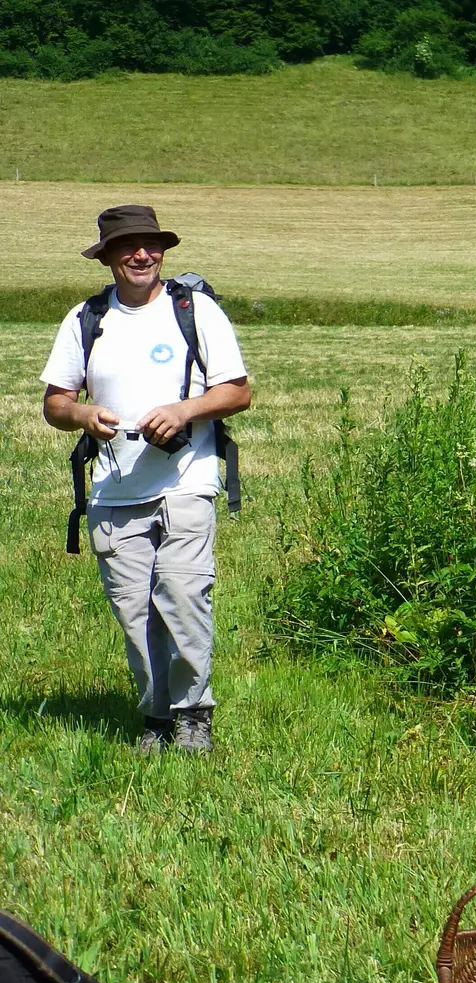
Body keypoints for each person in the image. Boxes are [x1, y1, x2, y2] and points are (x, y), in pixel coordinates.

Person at [40, 205, 252, 754]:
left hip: (186, 481)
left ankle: (192, 716)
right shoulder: (86, 320)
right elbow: (55, 403)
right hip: (113, 493)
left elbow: (238, 391)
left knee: (183, 598)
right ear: (108, 257)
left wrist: (184, 412)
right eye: (128, 246)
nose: (142, 255)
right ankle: (155, 717)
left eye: (151, 245)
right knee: (135, 612)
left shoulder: (195, 311)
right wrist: (85, 416)